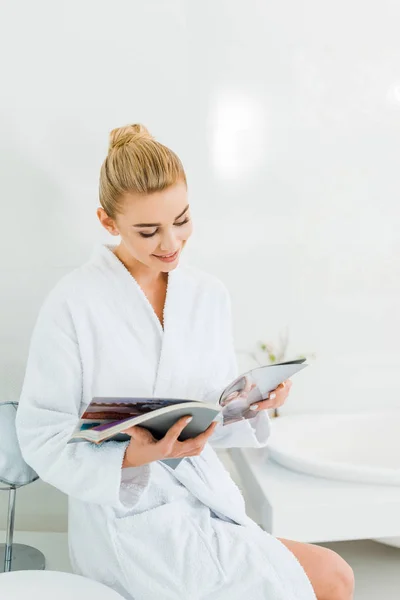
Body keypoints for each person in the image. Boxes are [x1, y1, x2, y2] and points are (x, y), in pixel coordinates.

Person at [16, 124, 354, 600]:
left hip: (204, 500)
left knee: (335, 575)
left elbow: (211, 410)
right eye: (148, 230)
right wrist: (135, 456)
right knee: (330, 578)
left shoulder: (207, 295)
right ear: (107, 221)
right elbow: (40, 435)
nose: (171, 242)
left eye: (182, 219)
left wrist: (252, 403)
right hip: (125, 521)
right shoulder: (74, 302)